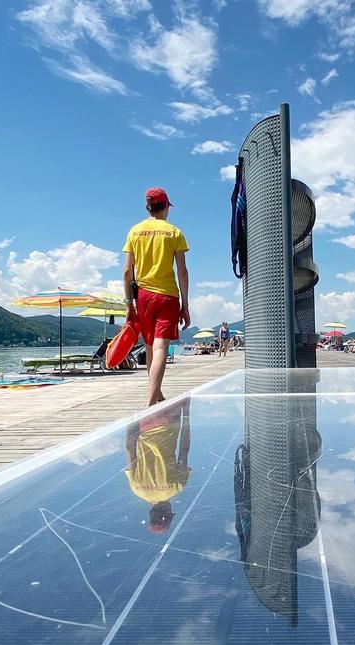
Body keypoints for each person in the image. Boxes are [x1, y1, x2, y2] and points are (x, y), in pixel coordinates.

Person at [124, 187, 191, 405]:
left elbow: (127, 272)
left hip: (143, 296)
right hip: (167, 297)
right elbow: (182, 271)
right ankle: (150, 402)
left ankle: (158, 394)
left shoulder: (135, 231)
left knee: (151, 346)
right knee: (161, 347)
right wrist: (185, 304)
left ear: (148, 207)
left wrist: (129, 304)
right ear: (165, 207)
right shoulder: (174, 232)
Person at [125, 399, 191, 535]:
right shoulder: (136, 489)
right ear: (151, 512)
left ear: (168, 511)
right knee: (154, 392)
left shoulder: (177, 487)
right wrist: (132, 422)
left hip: (170, 422)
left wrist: (186, 414)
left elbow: (184, 448)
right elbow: (130, 449)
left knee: (172, 384)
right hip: (146, 424)